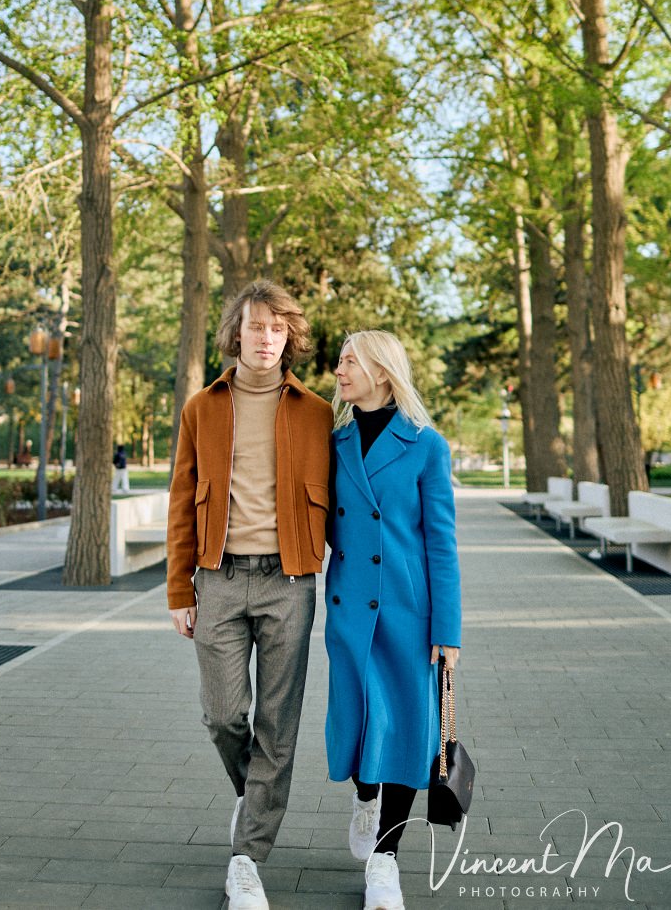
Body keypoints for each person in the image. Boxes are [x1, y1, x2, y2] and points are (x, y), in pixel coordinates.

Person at [167, 280, 334, 910]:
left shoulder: (317, 412)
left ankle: (247, 857)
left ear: (290, 338)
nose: (266, 338)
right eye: (256, 326)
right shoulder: (202, 407)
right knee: (222, 715)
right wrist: (178, 589)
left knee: (277, 723)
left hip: (290, 584)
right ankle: (254, 793)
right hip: (218, 580)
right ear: (235, 333)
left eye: (277, 328)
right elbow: (181, 501)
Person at [325, 330, 462, 910]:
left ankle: (386, 859)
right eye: (339, 361)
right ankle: (364, 796)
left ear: (382, 371)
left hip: (410, 612)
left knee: (407, 729)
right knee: (359, 722)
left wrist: (447, 630)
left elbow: (441, 543)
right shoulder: (334, 442)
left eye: (349, 361)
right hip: (350, 609)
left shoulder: (426, 445)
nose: (338, 370)